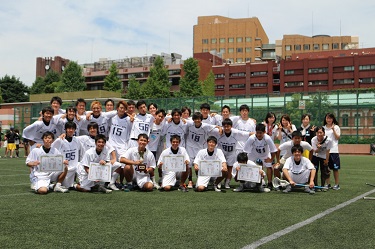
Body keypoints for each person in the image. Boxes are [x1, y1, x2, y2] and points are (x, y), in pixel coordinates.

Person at [185, 112, 222, 188]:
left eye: (199, 119)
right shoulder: (189, 123)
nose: (197, 120)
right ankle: (190, 181)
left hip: (199, 148)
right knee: (189, 165)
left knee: (198, 164)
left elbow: (216, 127)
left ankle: (199, 178)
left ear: (201, 120)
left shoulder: (206, 126)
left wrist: (220, 128)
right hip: (190, 147)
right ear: (193, 119)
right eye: (195, 119)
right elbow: (181, 119)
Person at [217, 118, 251, 189]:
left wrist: (255, 133)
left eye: (228, 126)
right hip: (221, 153)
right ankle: (219, 181)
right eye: (225, 126)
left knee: (230, 168)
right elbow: (209, 128)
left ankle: (227, 182)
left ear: (231, 126)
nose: (226, 128)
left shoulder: (235, 133)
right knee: (220, 167)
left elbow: (246, 134)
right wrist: (218, 127)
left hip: (231, 153)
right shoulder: (219, 132)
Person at [243, 123, 278, 190]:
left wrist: (271, 159)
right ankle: (245, 181)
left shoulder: (267, 138)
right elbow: (245, 151)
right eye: (257, 133)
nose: (259, 135)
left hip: (265, 154)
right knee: (246, 164)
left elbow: (273, 150)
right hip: (254, 153)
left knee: (269, 165)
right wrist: (245, 161)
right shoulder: (251, 138)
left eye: (261, 133)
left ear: (264, 132)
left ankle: (270, 183)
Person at [52, 122, 83, 188]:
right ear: (65, 129)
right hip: (64, 168)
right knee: (66, 186)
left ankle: (80, 182)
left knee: (80, 165)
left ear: (75, 130)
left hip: (74, 167)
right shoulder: (59, 140)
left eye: (72, 128)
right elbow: (51, 151)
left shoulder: (77, 140)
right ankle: (53, 185)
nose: (71, 130)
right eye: (69, 128)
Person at [323, 113, 341, 190]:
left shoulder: (336, 127)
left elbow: (337, 138)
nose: (329, 120)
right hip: (325, 151)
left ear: (333, 119)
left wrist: (333, 129)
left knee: (335, 168)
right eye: (327, 118)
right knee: (326, 168)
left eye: (330, 118)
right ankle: (328, 184)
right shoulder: (323, 128)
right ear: (325, 119)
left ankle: (337, 184)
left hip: (334, 150)